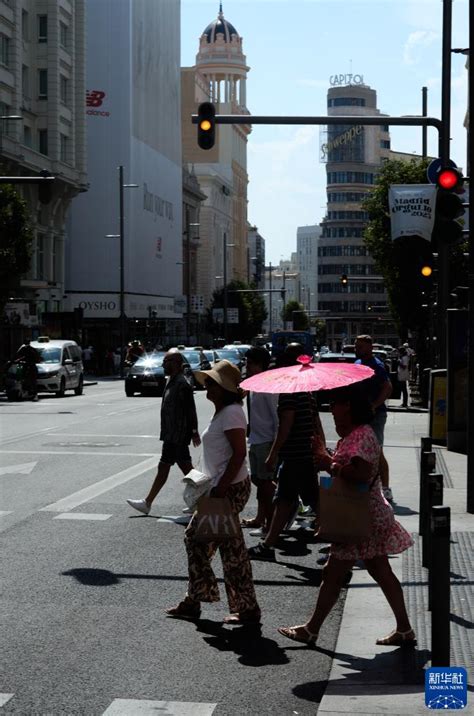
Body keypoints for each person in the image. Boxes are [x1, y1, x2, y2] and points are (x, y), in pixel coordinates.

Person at [278, 384, 415, 647]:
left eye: (335, 404)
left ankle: (311, 629)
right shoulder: (356, 434)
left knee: (334, 572)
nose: (331, 409)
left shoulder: (361, 436)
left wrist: (327, 462)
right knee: (378, 569)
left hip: (358, 516)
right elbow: (350, 465)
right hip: (366, 514)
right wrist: (326, 455)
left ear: (348, 406)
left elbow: (360, 475)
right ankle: (405, 628)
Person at [166, 360, 261, 623]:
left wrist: (220, 488)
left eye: (212, 382)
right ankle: (202, 600)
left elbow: (239, 454)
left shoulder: (231, 412)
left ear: (224, 388)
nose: (207, 385)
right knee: (218, 546)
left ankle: (229, 604)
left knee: (205, 543)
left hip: (227, 489)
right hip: (223, 487)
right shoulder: (224, 410)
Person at [248, 343, 325, 562]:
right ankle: (268, 545)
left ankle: (337, 543)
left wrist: (273, 453)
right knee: (285, 499)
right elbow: (314, 419)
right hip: (302, 453)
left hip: (297, 455)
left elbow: (285, 425)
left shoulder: (290, 391)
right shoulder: (305, 390)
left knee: (314, 500)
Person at [126, 350, 200, 515]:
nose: (163, 365)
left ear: (175, 363)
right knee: (176, 468)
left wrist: (194, 431)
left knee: (181, 469)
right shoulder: (171, 380)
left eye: (166, 361)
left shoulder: (182, 383)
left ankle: (203, 500)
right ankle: (201, 501)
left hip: (178, 434)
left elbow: (190, 409)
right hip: (171, 433)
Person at [241, 346, 279, 536]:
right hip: (255, 439)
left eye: (249, 363)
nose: (246, 366)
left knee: (265, 485)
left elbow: (276, 418)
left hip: (266, 441)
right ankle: (260, 518)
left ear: (259, 364)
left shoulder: (269, 386)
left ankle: (270, 525)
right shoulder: (253, 384)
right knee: (258, 480)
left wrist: (275, 448)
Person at [354, 334, 394, 504]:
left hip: (375, 415)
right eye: (356, 346)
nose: (357, 349)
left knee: (377, 450)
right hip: (360, 414)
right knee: (360, 450)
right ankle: (366, 485)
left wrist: (375, 405)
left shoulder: (377, 366)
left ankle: (386, 488)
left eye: (360, 347)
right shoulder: (357, 364)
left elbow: (388, 387)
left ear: (370, 347)